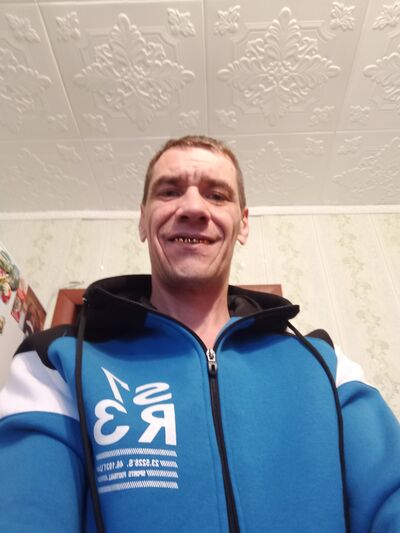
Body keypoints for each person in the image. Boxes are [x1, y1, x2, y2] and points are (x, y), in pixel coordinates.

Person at [0, 135, 399, 533]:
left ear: (243, 223)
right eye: (169, 191)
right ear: (142, 219)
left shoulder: (328, 366)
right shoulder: (55, 362)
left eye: (217, 195)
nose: (193, 208)